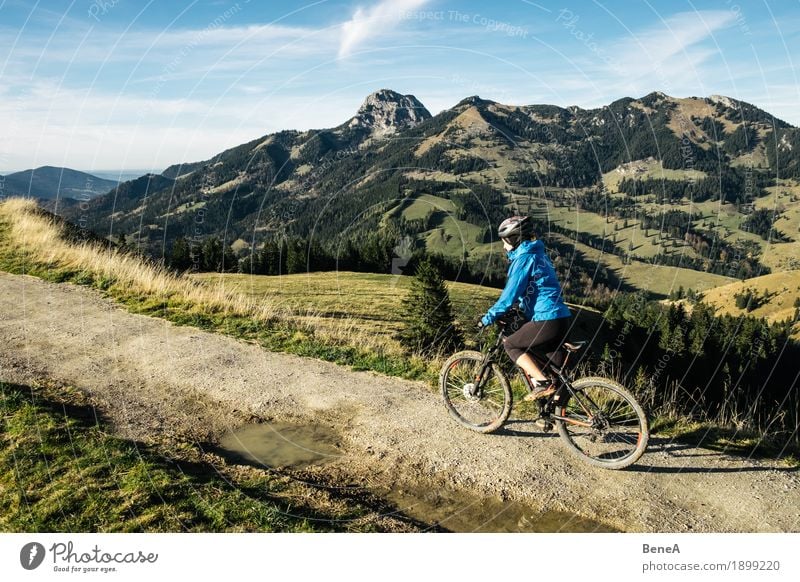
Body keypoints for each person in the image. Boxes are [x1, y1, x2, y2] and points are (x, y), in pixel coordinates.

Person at [478, 216, 572, 400]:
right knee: (556, 376)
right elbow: (538, 288)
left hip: (546, 318)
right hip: (561, 318)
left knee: (512, 345)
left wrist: (487, 318)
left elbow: (509, 295)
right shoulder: (539, 254)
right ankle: (552, 417)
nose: (503, 246)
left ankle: (542, 383)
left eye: (504, 241)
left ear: (513, 239)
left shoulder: (524, 259)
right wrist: (521, 309)